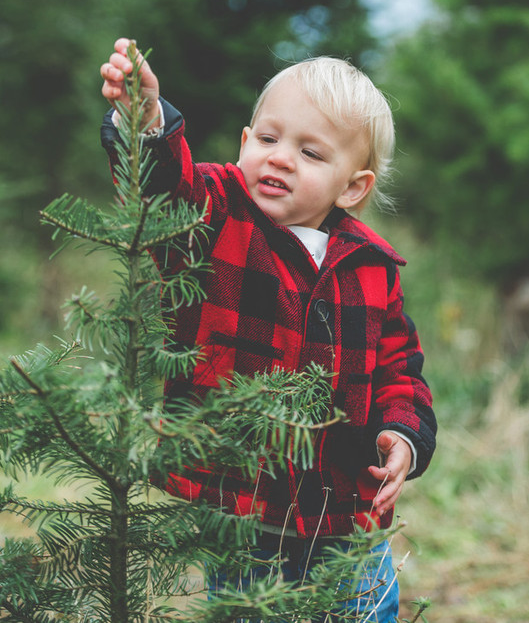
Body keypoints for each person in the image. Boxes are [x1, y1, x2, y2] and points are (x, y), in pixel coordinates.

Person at [100, 38, 437, 622]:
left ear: (352, 187)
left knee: (363, 610)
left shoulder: (373, 268)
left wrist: (403, 435)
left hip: (345, 503)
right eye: (268, 138)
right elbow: (164, 190)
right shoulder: (216, 216)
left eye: (310, 152)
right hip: (244, 500)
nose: (280, 158)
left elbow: (399, 369)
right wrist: (146, 122)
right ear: (243, 143)